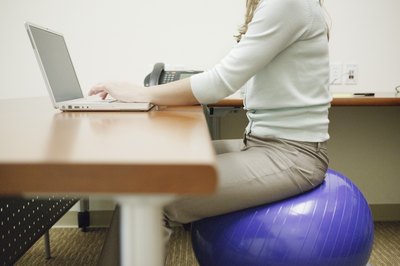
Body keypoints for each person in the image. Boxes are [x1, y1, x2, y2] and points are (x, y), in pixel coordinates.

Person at [89, 0, 331, 226]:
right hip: (260, 144)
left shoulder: (286, 3)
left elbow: (218, 83)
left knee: (151, 194)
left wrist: (141, 93)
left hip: (292, 156)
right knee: (155, 165)